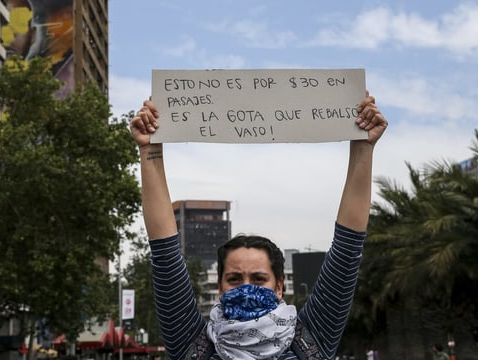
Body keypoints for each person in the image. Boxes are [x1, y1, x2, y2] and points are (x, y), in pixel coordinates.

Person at [130, 93, 388, 360]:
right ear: (220, 287)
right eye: (234, 279)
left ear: (279, 287)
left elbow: (347, 251)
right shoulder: (195, 346)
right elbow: (166, 256)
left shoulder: (309, 340)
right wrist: (150, 150)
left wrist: (363, 147)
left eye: (258, 278)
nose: (246, 288)